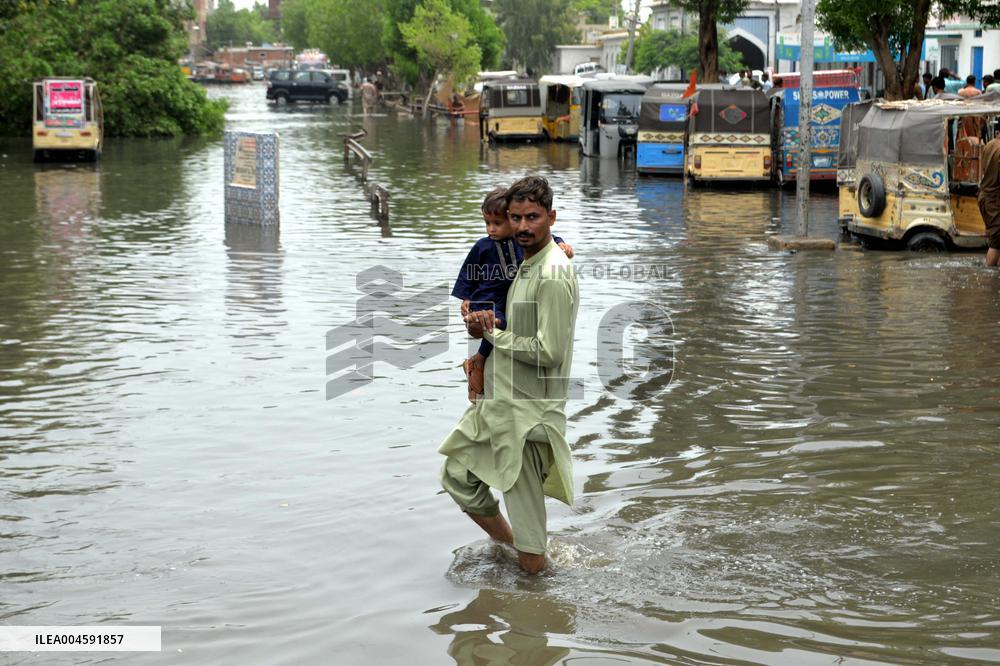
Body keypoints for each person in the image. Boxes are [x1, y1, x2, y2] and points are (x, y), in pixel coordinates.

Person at [440, 175, 580, 575]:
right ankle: (508, 550)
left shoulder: (551, 272)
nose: (521, 226)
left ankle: (536, 607)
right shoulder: (523, 263)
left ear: (551, 218)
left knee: (532, 546)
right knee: (456, 476)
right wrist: (478, 333)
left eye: (532, 217)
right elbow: (493, 317)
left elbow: (549, 352)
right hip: (499, 406)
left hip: (527, 418)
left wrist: (493, 337)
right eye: (515, 217)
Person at [452, 188, 573, 403]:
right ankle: (478, 364)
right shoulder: (483, 246)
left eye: (497, 224)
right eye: (487, 224)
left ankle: (477, 365)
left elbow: (550, 239)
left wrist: (562, 245)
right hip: (486, 297)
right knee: (500, 323)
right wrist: (466, 298)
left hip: (506, 296)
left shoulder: (522, 241)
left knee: (509, 322)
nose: (491, 229)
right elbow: (468, 274)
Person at [978, 136, 1000, 266]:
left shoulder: (990, 144)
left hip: (985, 197)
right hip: (994, 199)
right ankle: (990, 276)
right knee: (996, 241)